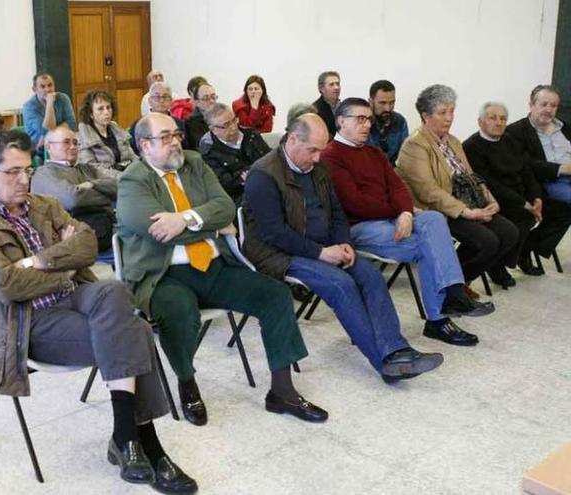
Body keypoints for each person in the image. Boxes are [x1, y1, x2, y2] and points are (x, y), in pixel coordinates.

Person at [0, 130, 197, 494]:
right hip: (27, 322)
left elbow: (86, 244)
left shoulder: (43, 204)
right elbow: (6, 285)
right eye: (13, 172)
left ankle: (127, 439)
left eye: (28, 170)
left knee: (114, 290)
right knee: (137, 331)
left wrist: (38, 262)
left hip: (77, 296)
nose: (24, 179)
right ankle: (143, 444)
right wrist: (62, 269)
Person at [117, 112, 328, 426]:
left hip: (214, 266)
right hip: (164, 276)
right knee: (179, 310)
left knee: (276, 295)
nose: (176, 142)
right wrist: (210, 226)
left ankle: (281, 392)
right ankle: (187, 383)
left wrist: (183, 220)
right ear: (144, 145)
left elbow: (227, 207)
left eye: (176, 134)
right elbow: (154, 229)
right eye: (165, 138)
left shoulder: (193, 162)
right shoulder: (133, 180)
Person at [243, 112, 445, 378]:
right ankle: (384, 362)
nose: (317, 158)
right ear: (292, 139)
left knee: (371, 276)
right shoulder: (263, 174)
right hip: (278, 253)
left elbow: (337, 213)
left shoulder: (318, 168)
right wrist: (321, 252)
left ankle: (396, 349)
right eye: (312, 150)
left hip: (324, 244)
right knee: (342, 284)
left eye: (320, 150)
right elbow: (273, 233)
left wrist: (344, 243)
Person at [321, 98, 491, 347]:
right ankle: (438, 318)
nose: (367, 124)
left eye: (369, 119)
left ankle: (452, 296)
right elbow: (356, 203)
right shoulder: (331, 156)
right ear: (341, 121)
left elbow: (398, 187)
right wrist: (401, 211)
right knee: (429, 246)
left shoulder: (373, 152)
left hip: (392, 219)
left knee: (433, 218)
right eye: (360, 119)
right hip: (359, 227)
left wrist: (406, 213)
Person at [396, 84, 519, 291]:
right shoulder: (415, 145)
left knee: (510, 233)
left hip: (466, 204)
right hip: (437, 210)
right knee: (487, 242)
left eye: (451, 111)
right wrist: (467, 212)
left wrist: (491, 200)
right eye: (442, 113)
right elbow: (428, 191)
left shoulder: (453, 141)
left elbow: (471, 177)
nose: (449, 118)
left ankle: (458, 280)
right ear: (426, 116)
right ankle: (452, 284)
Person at [463, 101, 571, 276]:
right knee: (522, 218)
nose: (499, 123)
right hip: (496, 199)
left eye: (503, 119)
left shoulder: (510, 140)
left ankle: (524, 250)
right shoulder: (471, 146)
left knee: (563, 210)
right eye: (493, 118)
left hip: (521, 196)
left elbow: (526, 171)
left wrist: (536, 198)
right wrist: (525, 204)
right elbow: (489, 184)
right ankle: (498, 264)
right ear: (480, 121)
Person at [31, 127, 117, 252]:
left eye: (75, 143)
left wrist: (92, 185)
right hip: (75, 238)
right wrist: (107, 195)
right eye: (66, 142)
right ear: (49, 147)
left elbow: (119, 187)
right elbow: (73, 199)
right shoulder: (43, 174)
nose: (73, 147)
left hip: (105, 227)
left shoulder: (86, 168)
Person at [505, 85, 571, 204]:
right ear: (531, 105)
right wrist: (561, 168)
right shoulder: (516, 131)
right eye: (544, 104)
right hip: (550, 182)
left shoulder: (565, 128)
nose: (548, 110)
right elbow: (524, 163)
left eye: (553, 106)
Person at [200, 103, 270, 205]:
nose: (233, 127)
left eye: (234, 120)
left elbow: (269, 158)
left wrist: (252, 174)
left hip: (268, 184)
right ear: (213, 129)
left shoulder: (251, 135)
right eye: (226, 125)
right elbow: (224, 183)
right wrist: (250, 175)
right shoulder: (210, 153)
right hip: (240, 198)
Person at [76, 90, 137, 177]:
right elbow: (92, 169)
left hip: (128, 176)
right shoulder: (83, 138)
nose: (106, 112)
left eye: (108, 107)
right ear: (90, 114)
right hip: (106, 183)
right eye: (100, 109)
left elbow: (133, 157)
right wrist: (124, 177)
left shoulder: (118, 132)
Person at [22, 72, 77, 156]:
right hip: (39, 150)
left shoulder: (63, 98)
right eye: (42, 86)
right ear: (35, 89)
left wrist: (45, 136)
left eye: (50, 85)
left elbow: (72, 124)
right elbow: (47, 131)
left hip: (62, 143)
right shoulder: (29, 107)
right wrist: (50, 104)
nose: (47, 90)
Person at [130, 81, 187, 155]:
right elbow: (135, 150)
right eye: (157, 97)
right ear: (150, 101)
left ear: (171, 101)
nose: (161, 100)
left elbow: (185, 148)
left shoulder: (178, 123)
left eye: (165, 97)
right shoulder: (140, 124)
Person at [367, 80, 409, 165]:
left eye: (392, 102)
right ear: (371, 102)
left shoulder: (400, 121)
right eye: (382, 103)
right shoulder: (362, 123)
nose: (388, 108)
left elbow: (405, 156)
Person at [183, 83, 218, 152]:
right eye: (206, 98)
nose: (211, 101)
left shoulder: (221, 114)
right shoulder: (191, 123)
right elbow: (203, 147)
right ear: (197, 102)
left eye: (213, 97)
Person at [312, 71, 341, 138]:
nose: (336, 87)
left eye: (338, 84)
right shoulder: (315, 110)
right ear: (321, 88)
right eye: (331, 84)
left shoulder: (345, 107)